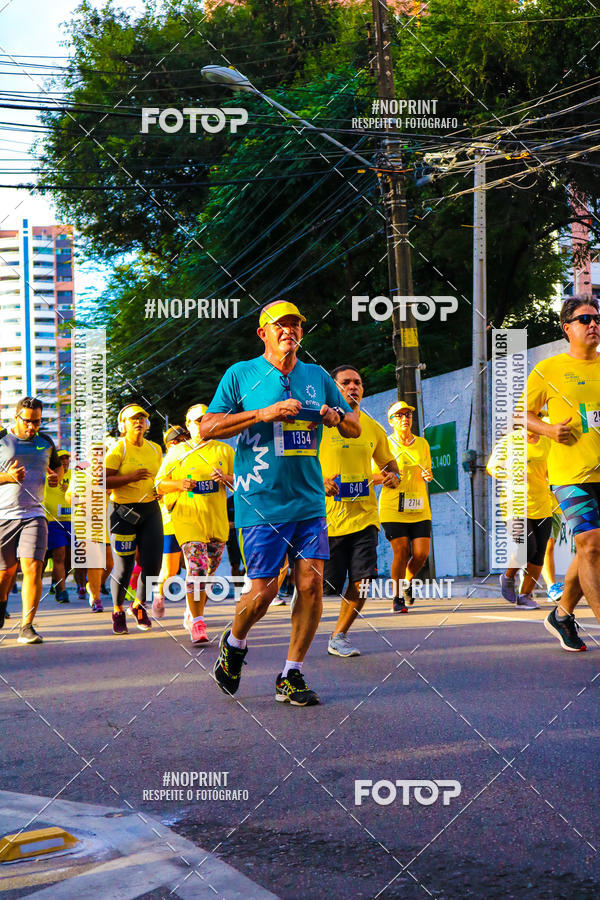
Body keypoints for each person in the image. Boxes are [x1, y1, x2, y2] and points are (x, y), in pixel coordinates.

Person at [201, 300, 359, 706]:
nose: (289, 330)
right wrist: (263, 413)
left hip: (308, 501)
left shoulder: (317, 376)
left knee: (309, 586)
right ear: (263, 334)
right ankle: (234, 643)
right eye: (280, 325)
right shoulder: (242, 374)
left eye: (295, 324)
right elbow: (208, 427)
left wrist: (335, 417)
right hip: (261, 500)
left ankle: (291, 673)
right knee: (265, 591)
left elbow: (355, 424)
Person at [525, 295, 600, 652]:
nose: (593, 324)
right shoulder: (548, 369)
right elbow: (521, 415)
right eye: (585, 319)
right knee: (591, 544)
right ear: (567, 328)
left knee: (592, 551)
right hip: (570, 473)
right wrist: (550, 430)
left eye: (597, 319)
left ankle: (562, 613)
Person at [319, 365, 399, 657]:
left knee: (362, 581)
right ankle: (300, 600)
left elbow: (391, 466)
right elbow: (297, 462)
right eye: (346, 382)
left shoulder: (373, 427)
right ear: (334, 387)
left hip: (365, 517)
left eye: (358, 383)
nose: (353, 387)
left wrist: (393, 477)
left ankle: (339, 635)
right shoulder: (317, 424)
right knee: (323, 587)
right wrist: (320, 482)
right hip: (325, 520)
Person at [156, 403, 234, 644]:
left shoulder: (224, 450)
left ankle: (193, 612)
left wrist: (226, 478)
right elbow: (158, 484)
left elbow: (244, 481)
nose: (203, 423)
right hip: (187, 517)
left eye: (207, 419)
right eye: (197, 420)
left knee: (209, 572)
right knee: (197, 567)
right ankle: (199, 623)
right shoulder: (177, 452)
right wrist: (179, 484)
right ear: (188, 425)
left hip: (216, 519)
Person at [0, 397, 62, 644]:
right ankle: (2, 602)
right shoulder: (2, 440)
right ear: (17, 417)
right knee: (6, 573)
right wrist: (7, 477)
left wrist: (56, 478)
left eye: (37, 421)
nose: (33, 427)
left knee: (33, 567)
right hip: (3, 515)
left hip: (34, 514)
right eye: (28, 421)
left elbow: (57, 468)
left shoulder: (45, 442)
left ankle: (26, 626)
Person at [104, 404, 163, 635]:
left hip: (150, 509)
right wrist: (130, 478)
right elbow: (104, 481)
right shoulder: (119, 449)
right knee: (124, 566)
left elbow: (161, 476)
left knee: (153, 564)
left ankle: (139, 605)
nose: (138, 422)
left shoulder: (155, 448)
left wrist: (161, 489)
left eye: (142, 418)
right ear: (123, 425)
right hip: (122, 512)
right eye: (132, 419)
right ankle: (118, 610)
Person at [487, 426, 553, 610]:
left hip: (541, 504)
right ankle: (508, 576)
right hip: (514, 504)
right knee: (527, 546)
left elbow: (551, 471)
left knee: (539, 553)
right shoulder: (509, 441)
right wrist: (510, 474)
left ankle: (524, 595)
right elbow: (491, 468)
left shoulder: (547, 442)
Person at [377, 400, 433, 614]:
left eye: (408, 415)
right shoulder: (385, 445)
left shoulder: (422, 444)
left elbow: (426, 469)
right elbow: (372, 475)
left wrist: (428, 475)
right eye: (399, 416)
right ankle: (397, 597)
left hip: (419, 506)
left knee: (421, 554)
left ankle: (408, 582)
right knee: (400, 552)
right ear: (391, 421)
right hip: (393, 508)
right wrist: (386, 477)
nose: (405, 419)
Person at [66, 442, 113, 613]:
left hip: (104, 522)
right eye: (95, 453)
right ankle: (96, 598)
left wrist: (110, 491)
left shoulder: (110, 476)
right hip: (85, 521)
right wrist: (81, 500)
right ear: (89, 456)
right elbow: (69, 497)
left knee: (109, 563)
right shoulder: (80, 474)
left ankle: (92, 585)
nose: (98, 456)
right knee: (94, 560)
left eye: (102, 453)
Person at [152, 425, 189, 619]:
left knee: (196, 567)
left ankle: (193, 612)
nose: (186, 443)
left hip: (193, 519)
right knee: (170, 570)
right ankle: (158, 596)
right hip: (171, 522)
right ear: (172, 444)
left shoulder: (193, 458)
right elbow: (157, 489)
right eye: (182, 440)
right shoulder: (166, 462)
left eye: (186, 439)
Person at [43, 449, 72, 604]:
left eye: (67, 458)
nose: (64, 461)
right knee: (59, 554)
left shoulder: (75, 476)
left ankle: (57, 581)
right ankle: (62, 591)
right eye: (61, 458)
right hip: (53, 521)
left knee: (72, 558)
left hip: (73, 520)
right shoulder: (48, 476)